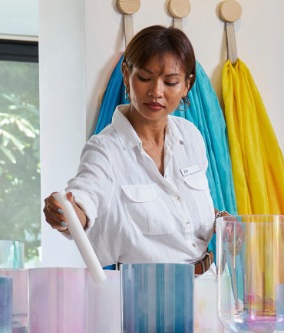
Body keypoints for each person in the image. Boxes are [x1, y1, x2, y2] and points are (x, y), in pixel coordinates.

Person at [44, 26, 219, 273]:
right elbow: (84, 200)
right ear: (127, 75)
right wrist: (65, 214)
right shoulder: (105, 150)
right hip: (146, 290)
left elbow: (181, 209)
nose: (156, 92)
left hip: (210, 284)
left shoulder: (190, 136)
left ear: (186, 85)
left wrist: (221, 221)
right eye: (145, 78)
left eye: (170, 82)